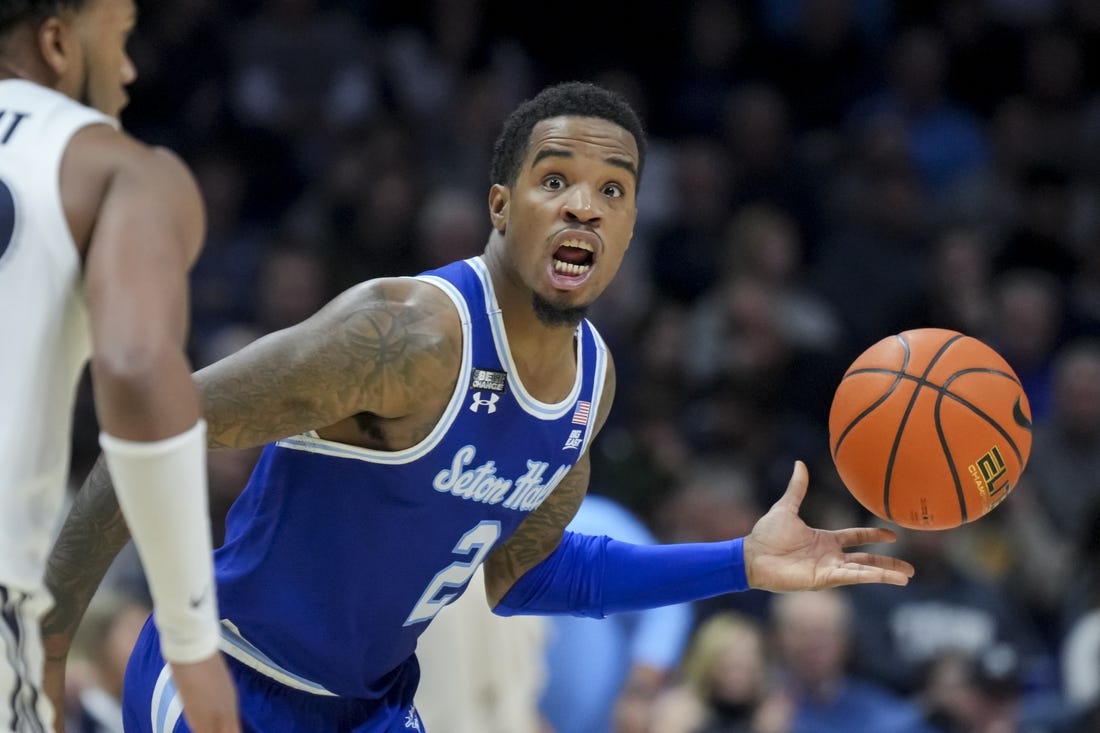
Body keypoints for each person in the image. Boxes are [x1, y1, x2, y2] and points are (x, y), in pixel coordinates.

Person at [41, 81, 915, 732]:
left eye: (613, 189)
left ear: (633, 225)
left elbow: (529, 573)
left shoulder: (590, 383)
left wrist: (742, 563)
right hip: (230, 679)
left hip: (372, 707)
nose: (584, 203)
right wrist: (41, 647)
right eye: (556, 180)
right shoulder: (405, 334)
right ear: (501, 205)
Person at [0, 2, 238, 732]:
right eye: (122, 35)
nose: (130, 69)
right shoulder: (115, 168)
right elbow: (135, 368)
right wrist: (194, 648)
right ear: (58, 41)